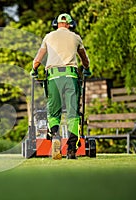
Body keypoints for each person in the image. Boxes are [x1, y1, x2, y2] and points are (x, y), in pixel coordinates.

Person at [30, 13, 91, 159]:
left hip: (53, 76)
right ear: (70, 24)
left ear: (56, 24)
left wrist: (34, 70)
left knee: (53, 111)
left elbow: (37, 60)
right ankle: (71, 150)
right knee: (73, 113)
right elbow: (85, 60)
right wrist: (87, 69)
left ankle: (55, 136)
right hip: (71, 76)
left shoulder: (48, 37)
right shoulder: (76, 37)